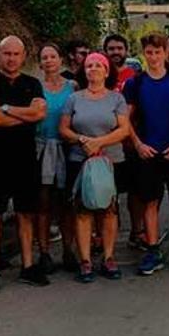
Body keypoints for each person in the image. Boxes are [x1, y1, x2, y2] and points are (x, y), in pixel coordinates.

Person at [0, 36, 48, 294]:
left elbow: (40, 113)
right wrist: (23, 115)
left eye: (16, 54)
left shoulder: (32, 83)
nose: (11, 58)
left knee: (25, 213)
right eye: (7, 53)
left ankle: (28, 266)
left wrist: (5, 109)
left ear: (23, 55)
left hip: (25, 159)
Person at [124, 33, 169, 275]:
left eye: (157, 52)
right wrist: (138, 145)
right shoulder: (136, 83)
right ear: (144, 54)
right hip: (148, 152)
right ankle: (152, 250)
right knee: (150, 201)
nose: (153, 57)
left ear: (165, 53)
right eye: (149, 52)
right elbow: (125, 118)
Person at [59, 52, 130, 282]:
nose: (94, 69)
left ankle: (109, 257)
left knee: (108, 210)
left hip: (109, 160)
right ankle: (85, 260)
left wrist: (99, 142)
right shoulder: (74, 98)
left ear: (107, 71)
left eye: (99, 65)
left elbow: (124, 129)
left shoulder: (116, 99)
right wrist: (82, 140)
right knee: (82, 210)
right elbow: (64, 129)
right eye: (89, 65)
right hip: (80, 160)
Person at [35, 43, 76, 274]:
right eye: (44, 57)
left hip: (67, 149)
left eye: (53, 56)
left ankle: (69, 250)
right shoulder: (34, 87)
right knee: (43, 203)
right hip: (41, 149)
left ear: (61, 60)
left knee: (66, 203)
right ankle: (44, 252)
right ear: (40, 63)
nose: (49, 60)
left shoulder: (73, 87)